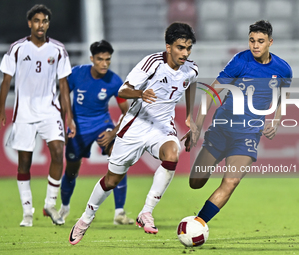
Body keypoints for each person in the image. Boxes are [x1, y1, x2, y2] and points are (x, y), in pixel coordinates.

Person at [68, 22, 198, 245]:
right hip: (135, 125)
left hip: (162, 126)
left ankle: (146, 212)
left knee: (172, 154)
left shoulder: (191, 69)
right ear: (168, 47)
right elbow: (122, 90)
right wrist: (140, 93)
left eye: (188, 48)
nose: (185, 53)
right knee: (111, 180)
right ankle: (85, 219)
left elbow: (190, 83)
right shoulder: (152, 63)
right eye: (180, 48)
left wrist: (189, 118)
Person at [186, 20, 292, 224]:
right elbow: (211, 92)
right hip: (222, 129)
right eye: (252, 40)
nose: (255, 45)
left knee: (232, 181)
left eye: (260, 41)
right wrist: (198, 124)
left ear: (270, 42)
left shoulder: (283, 69)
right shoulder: (239, 61)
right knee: (196, 182)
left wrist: (276, 120)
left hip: (248, 134)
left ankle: (198, 224)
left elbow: (282, 96)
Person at [0, 4, 76, 227]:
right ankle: (27, 212)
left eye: (44, 21)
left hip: (49, 111)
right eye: (36, 21)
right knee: (24, 162)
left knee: (57, 151)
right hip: (24, 112)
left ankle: (50, 204)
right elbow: (6, 81)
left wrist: (68, 115)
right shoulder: (17, 48)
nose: (40, 25)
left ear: (48, 24)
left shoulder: (58, 50)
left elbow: (63, 86)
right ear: (29, 23)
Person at [59, 40, 133, 225]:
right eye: (100, 59)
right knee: (72, 171)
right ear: (92, 58)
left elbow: (127, 112)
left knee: (119, 158)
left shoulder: (114, 81)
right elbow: (63, 91)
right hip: (79, 128)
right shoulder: (77, 73)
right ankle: (64, 208)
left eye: (107, 60)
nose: (104, 64)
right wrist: (68, 120)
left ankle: (119, 213)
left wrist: (114, 133)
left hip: (102, 124)